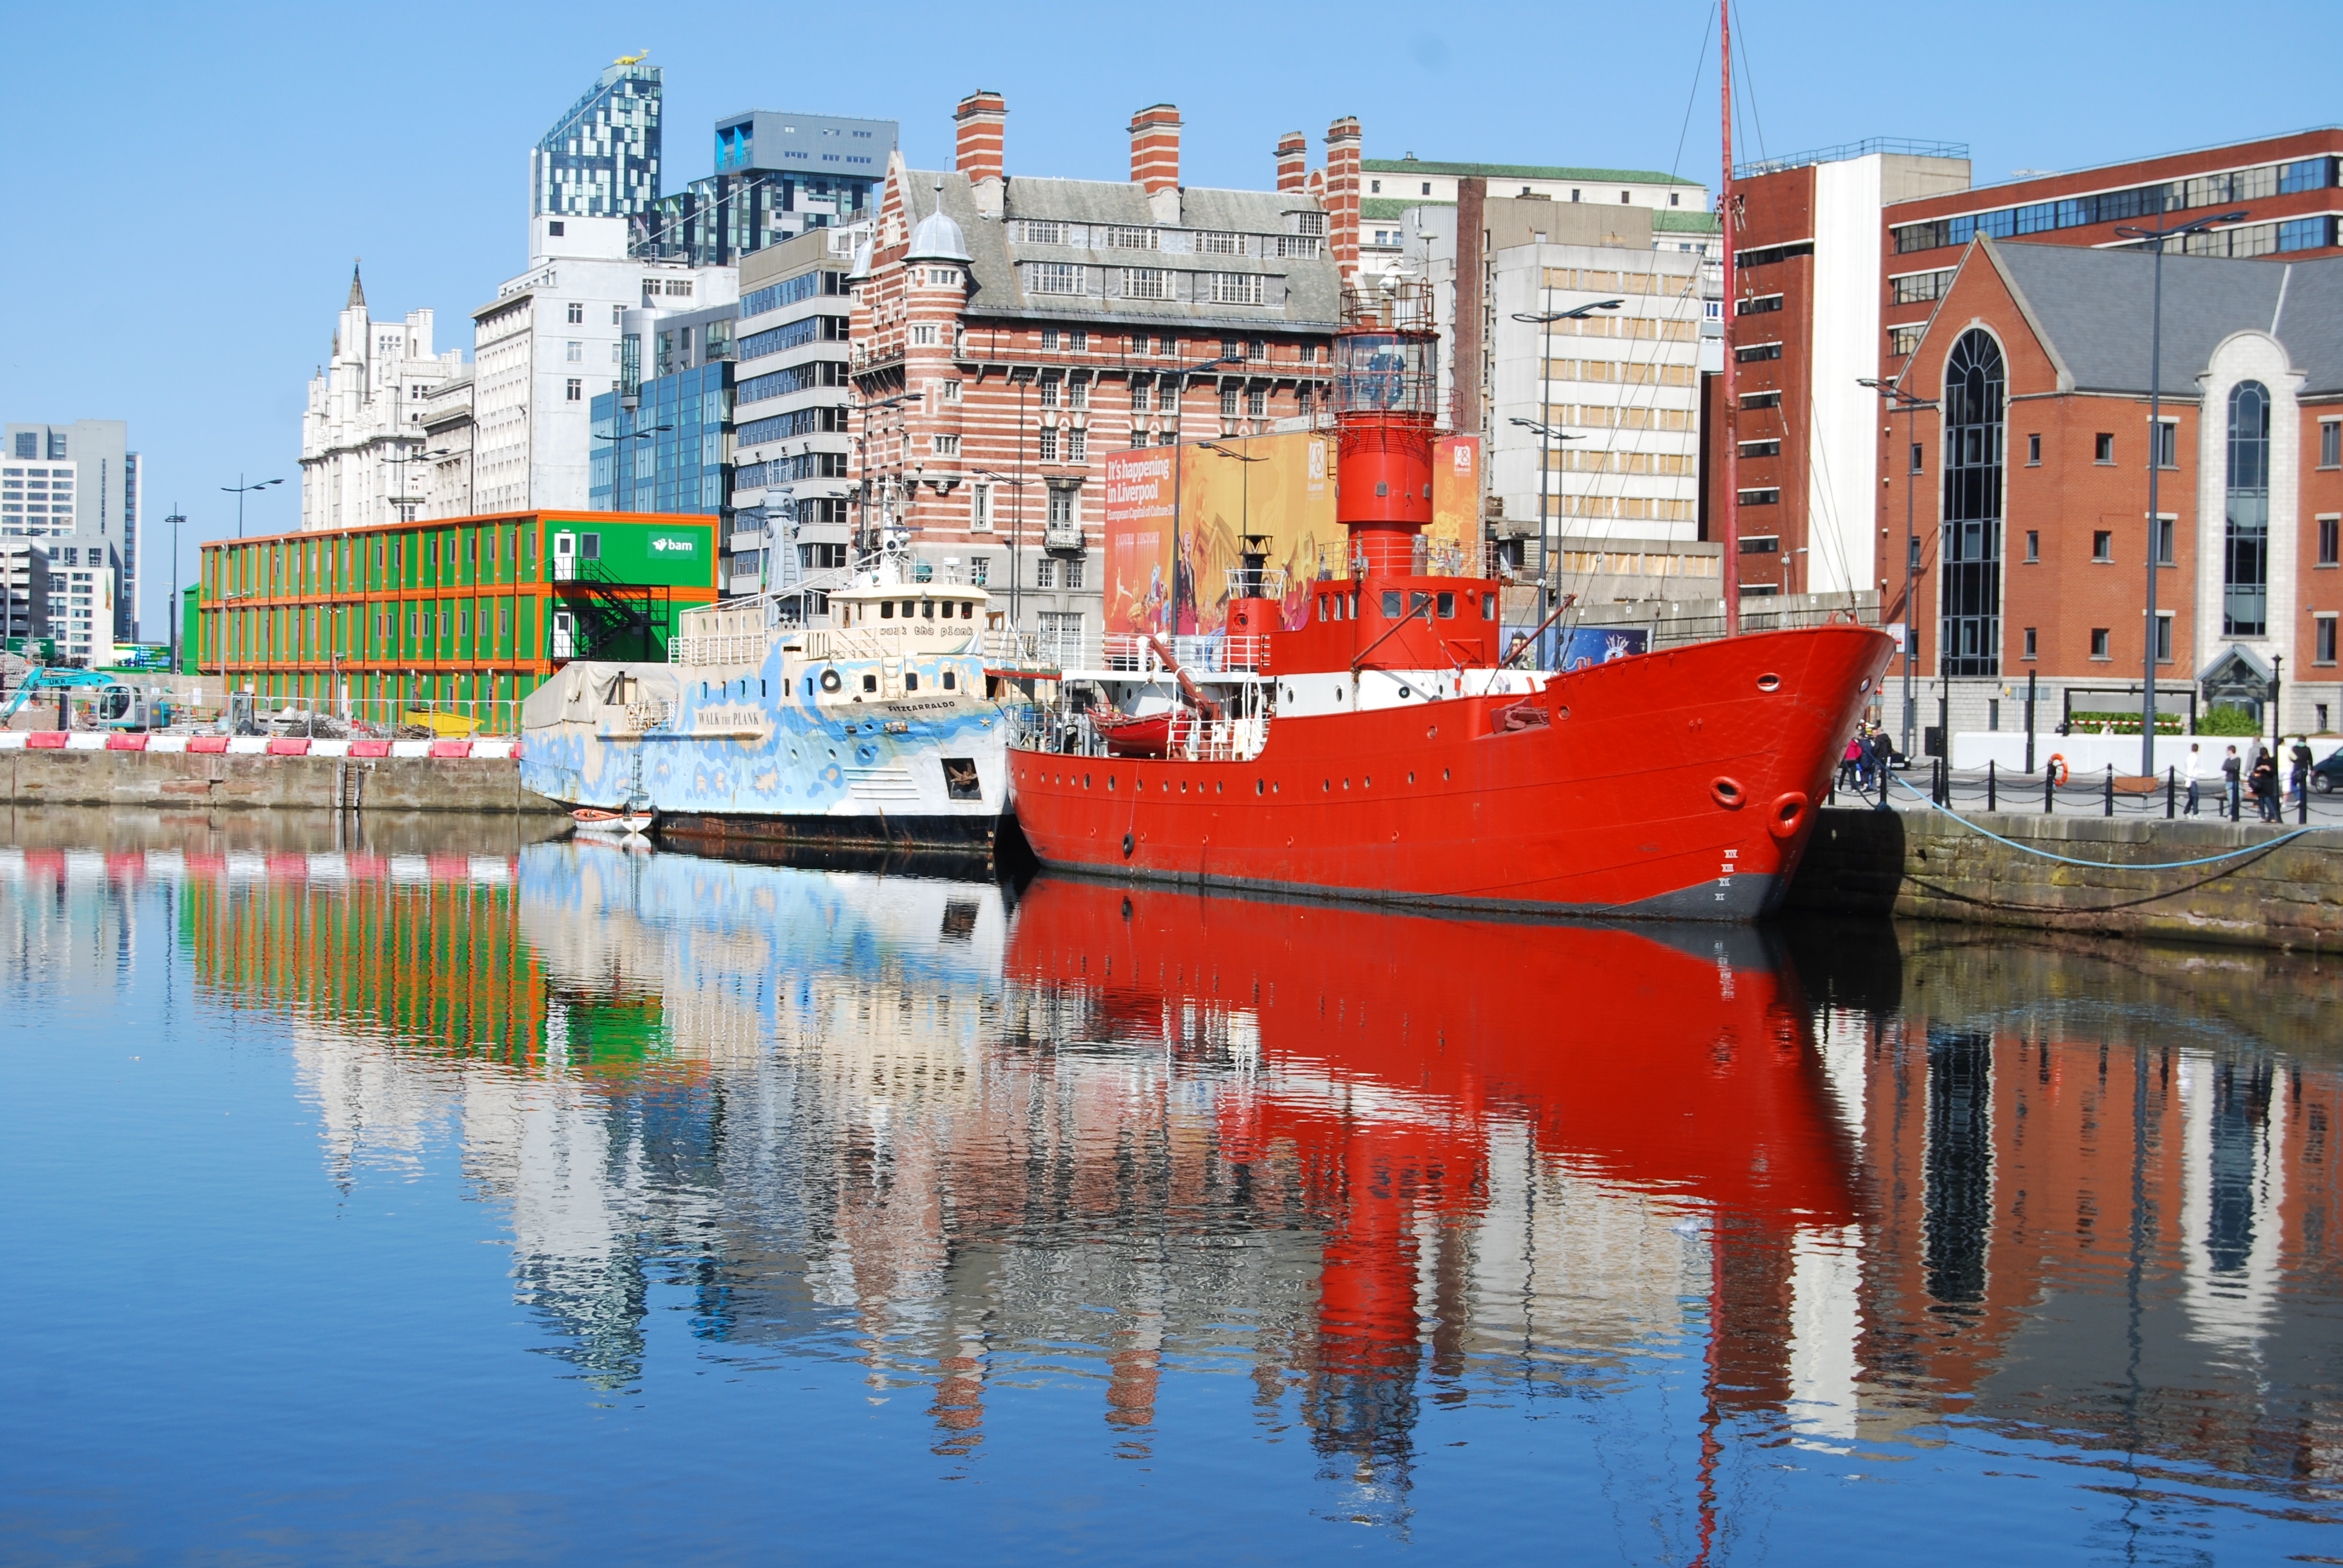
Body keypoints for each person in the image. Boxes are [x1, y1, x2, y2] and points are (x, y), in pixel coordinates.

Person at [2251, 751, 2282, 822]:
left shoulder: (2272, 760)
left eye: (2265, 756)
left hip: (2269, 782)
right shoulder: (2259, 760)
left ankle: (2273, 815)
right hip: (2260, 782)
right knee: (2261, 799)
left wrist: (2268, 769)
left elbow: (2274, 772)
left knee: (2268, 799)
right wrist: (2260, 768)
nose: (2264, 757)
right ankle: (2263, 816)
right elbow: (2255, 769)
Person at [2291, 736, 2315, 812]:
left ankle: (2299, 798)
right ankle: (2302, 800)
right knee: (2303, 785)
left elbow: (2292, 758)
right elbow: (2310, 761)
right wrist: (2312, 770)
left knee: (2293, 784)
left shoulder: (2294, 748)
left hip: (2296, 768)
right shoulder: (2307, 749)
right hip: (2304, 769)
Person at [2223, 745, 2243, 821]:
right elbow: (2224, 767)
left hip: (2237, 781)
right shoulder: (2227, 760)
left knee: (2240, 796)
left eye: (2227, 751)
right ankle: (2231, 813)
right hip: (2229, 781)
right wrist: (2231, 768)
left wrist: (2230, 768)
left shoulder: (2238, 759)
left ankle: (2235, 811)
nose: (2227, 752)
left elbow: (2236, 767)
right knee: (2231, 798)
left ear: (2230, 751)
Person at [2183, 742, 2203, 817]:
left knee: (2192, 797)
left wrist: (2199, 772)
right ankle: (2196, 813)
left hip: (2191, 779)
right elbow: (2190, 769)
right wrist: (2188, 781)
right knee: (2195, 797)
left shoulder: (2189, 757)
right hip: (2191, 780)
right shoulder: (2194, 757)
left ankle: (2186, 811)